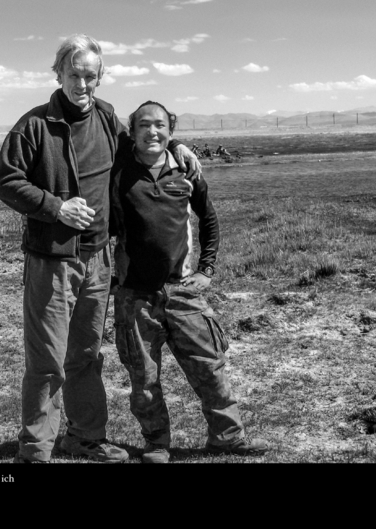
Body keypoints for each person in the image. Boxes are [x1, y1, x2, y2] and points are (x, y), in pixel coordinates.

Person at [0, 34, 201, 463]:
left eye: (90, 76)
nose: (82, 84)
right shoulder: (34, 126)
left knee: (85, 354)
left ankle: (84, 437)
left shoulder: (106, 118)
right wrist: (55, 207)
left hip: (99, 258)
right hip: (53, 259)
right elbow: (7, 181)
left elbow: (138, 149)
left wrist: (175, 145)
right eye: (74, 75)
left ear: (100, 78)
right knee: (47, 359)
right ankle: (34, 450)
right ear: (59, 74)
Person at [110, 100, 269, 463]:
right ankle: (156, 444)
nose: (153, 132)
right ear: (131, 131)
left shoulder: (185, 169)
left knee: (210, 367)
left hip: (183, 290)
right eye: (144, 125)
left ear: (172, 129)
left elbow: (209, 221)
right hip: (135, 295)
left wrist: (205, 270)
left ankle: (228, 437)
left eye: (161, 125)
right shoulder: (118, 171)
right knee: (144, 378)